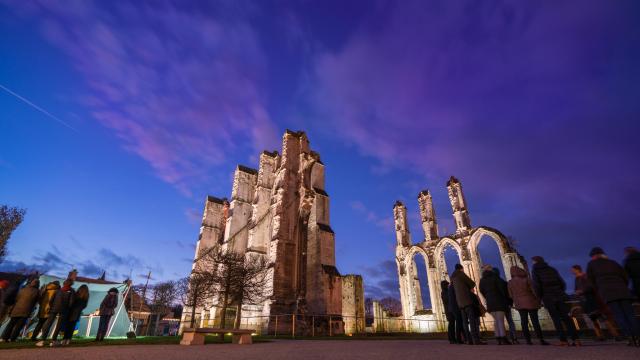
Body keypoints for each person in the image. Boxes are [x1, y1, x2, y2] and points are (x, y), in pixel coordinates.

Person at [587, 247, 640, 347]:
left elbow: (591, 281)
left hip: (608, 293)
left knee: (619, 315)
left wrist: (600, 288)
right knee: (630, 314)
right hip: (623, 291)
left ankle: (630, 338)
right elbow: (625, 276)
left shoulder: (591, 264)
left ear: (593, 256)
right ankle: (638, 336)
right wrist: (623, 285)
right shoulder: (613, 262)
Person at [531, 256, 580, 346]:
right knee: (566, 318)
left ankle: (563, 341)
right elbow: (562, 283)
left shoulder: (535, 271)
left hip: (548, 297)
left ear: (534, 262)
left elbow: (537, 286)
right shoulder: (552, 269)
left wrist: (539, 297)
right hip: (560, 295)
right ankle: (576, 340)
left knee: (556, 319)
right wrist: (560, 291)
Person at [571, 264, 619, 340]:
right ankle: (600, 336)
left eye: (572, 270)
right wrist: (577, 292)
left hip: (592, 300)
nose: (571, 271)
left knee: (602, 318)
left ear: (577, 269)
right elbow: (577, 289)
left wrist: (581, 291)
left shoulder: (584, 276)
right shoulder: (577, 279)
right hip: (585, 301)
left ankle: (615, 335)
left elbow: (590, 287)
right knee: (593, 319)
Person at [508, 266, 548, 345]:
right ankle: (541, 339)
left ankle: (528, 340)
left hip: (519, 304)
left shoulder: (510, 282)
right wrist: (539, 300)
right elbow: (534, 291)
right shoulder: (526, 279)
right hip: (530, 302)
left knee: (523, 322)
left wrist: (515, 300)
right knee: (535, 321)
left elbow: (510, 295)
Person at [451, 263, 486, 345]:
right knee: (472, 320)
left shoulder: (453, 278)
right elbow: (472, 283)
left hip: (460, 302)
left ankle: (468, 340)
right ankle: (475, 339)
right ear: (461, 269)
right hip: (467, 300)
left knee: (464, 322)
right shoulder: (461, 274)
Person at [35, 279, 75, 347]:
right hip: (64, 310)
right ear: (71, 284)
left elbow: (51, 301)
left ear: (64, 283)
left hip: (54, 309)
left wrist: (52, 307)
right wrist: (67, 308)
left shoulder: (58, 291)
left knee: (48, 324)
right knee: (58, 326)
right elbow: (71, 303)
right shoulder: (71, 292)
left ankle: (42, 340)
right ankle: (53, 340)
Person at [479, 265, 511, 345]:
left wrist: (487, 296)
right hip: (499, 300)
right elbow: (502, 289)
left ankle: (498, 337)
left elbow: (481, 291)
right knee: (500, 320)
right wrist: (507, 300)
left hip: (490, 301)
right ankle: (503, 337)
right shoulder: (495, 278)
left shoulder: (482, 280)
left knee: (496, 320)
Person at [0, 278, 39, 342]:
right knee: (18, 326)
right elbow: (35, 302)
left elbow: (16, 299)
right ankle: (13, 338)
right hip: (26, 311)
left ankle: (4, 337)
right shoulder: (36, 292)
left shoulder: (23, 289)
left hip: (16, 309)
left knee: (11, 324)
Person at [492, 267, 518, 344]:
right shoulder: (503, 282)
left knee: (499, 321)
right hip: (505, 303)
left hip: (496, 304)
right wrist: (510, 303)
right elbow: (508, 294)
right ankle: (514, 338)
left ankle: (501, 338)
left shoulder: (491, 284)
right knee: (510, 320)